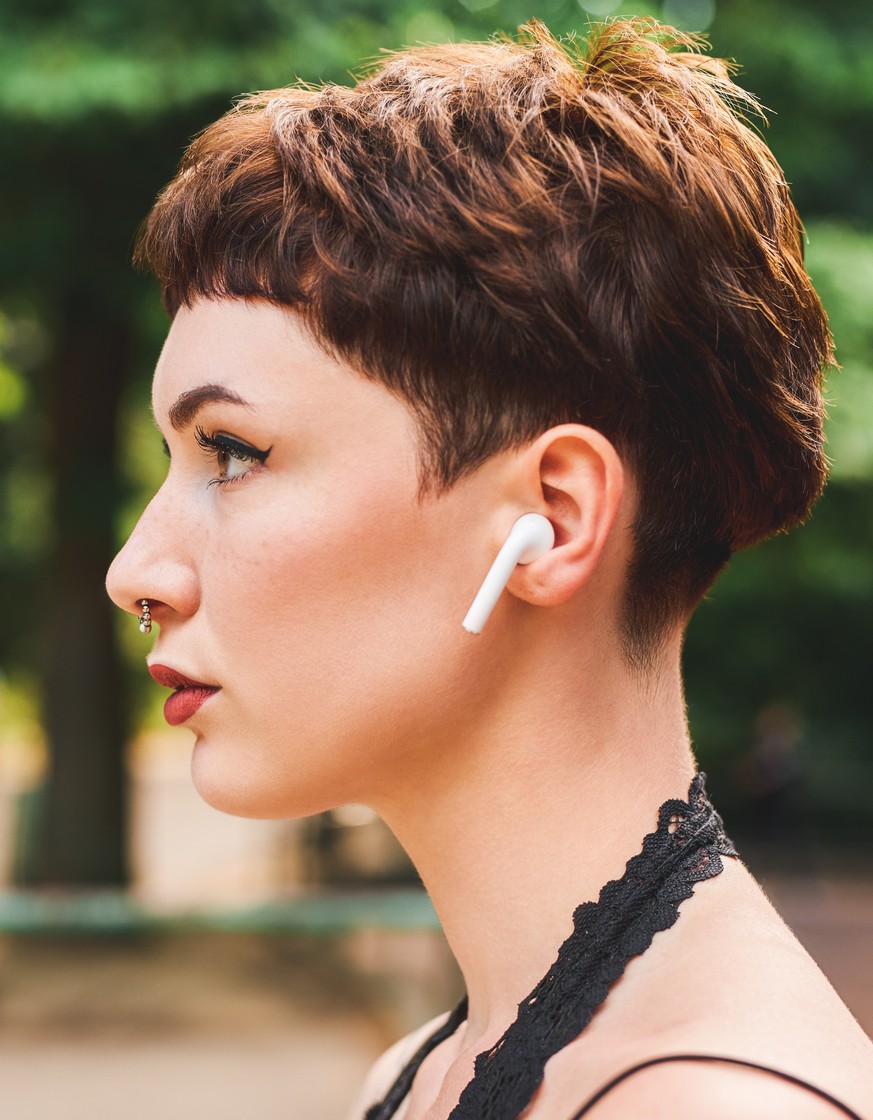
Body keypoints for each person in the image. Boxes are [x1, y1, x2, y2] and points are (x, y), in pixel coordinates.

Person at [105, 18, 873, 1119]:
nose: (136, 570)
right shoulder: (425, 1072)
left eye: (234, 453)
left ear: (553, 519)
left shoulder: (719, 1103)